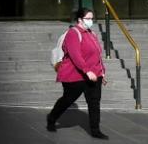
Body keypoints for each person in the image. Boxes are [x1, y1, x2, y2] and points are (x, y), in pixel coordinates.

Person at [46, 7, 109, 139]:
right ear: (80, 19)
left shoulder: (92, 34)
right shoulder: (73, 33)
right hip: (75, 75)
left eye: (92, 18)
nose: (91, 21)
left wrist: (101, 72)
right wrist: (87, 71)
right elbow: (76, 56)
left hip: (94, 75)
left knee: (94, 102)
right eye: (88, 18)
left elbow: (97, 55)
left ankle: (95, 130)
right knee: (68, 99)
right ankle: (52, 118)